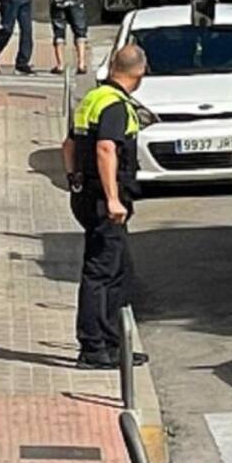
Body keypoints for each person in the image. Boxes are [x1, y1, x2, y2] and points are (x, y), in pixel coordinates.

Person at [62, 44, 151, 369]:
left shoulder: (93, 98)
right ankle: (94, 348)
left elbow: (69, 145)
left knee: (120, 268)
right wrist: (113, 198)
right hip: (104, 200)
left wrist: (73, 178)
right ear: (140, 72)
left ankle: (115, 343)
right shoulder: (114, 105)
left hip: (86, 194)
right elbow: (104, 149)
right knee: (102, 271)